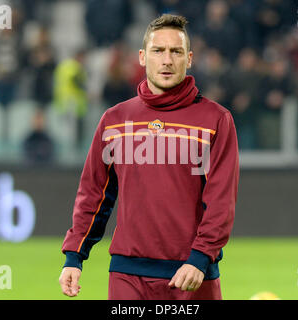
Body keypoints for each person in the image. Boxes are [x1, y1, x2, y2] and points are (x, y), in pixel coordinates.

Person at [59, 14, 239, 300]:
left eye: (176, 51)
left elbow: (221, 200)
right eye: (158, 50)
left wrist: (201, 257)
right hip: (128, 276)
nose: (167, 60)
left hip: (191, 274)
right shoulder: (114, 120)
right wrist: (74, 256)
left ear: (189, 58)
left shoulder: (216, 120)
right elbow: (94, 193)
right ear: (142, 57)